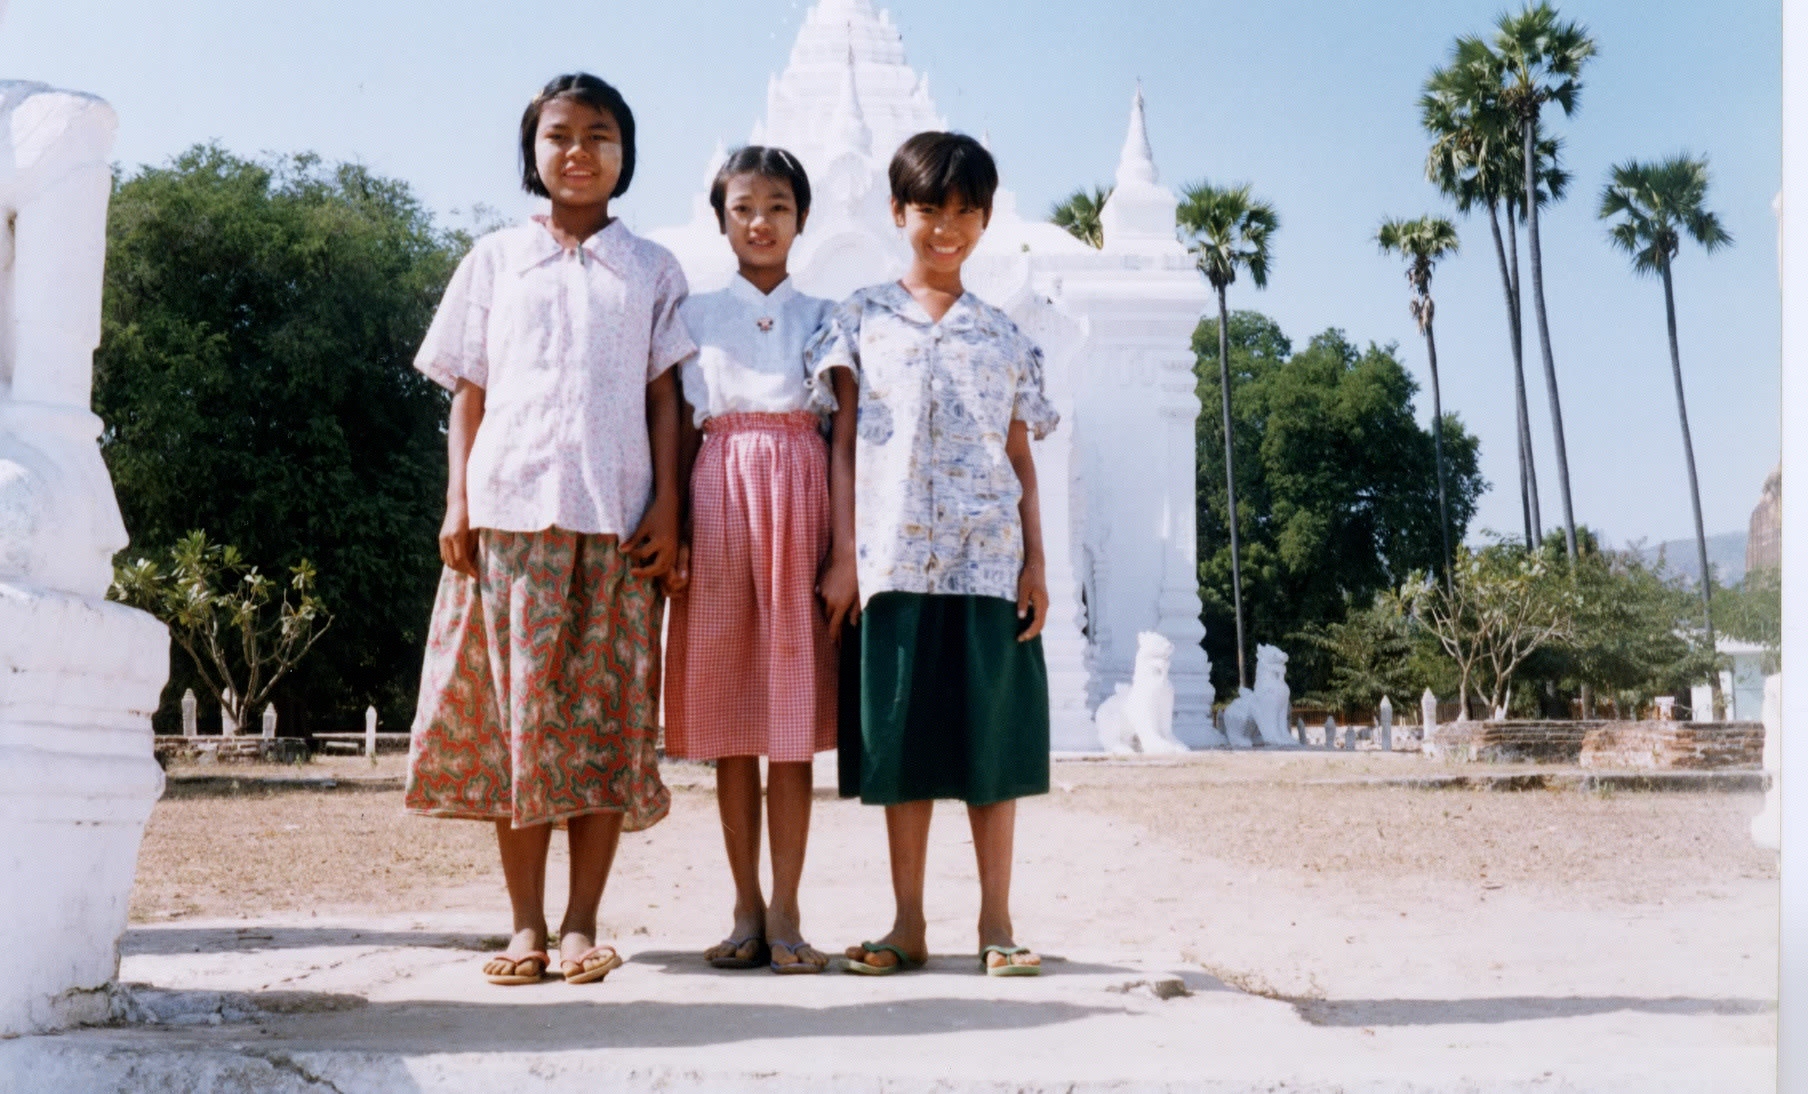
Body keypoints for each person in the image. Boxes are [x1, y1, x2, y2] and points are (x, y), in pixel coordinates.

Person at [404, 72, 691, 987]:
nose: (578, 151)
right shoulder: (492, 261)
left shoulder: (653, 269)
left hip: (616, 525)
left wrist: (670, 511)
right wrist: (458, 502)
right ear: (533, 152)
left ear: (625, 153)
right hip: (510, 517)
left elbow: (666, 399)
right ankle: (524, 925)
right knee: (521, 727)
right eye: (559, 135)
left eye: (599, 135)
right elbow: (468, 395)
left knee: (602, 729)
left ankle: (581, 925)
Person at [805, 130, 1057, 978]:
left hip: (989, 560)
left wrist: (1037, 564)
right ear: (896, 212)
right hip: (891, 563)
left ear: (984, 220)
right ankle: (907, 923)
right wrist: (844, 556)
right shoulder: (859, 320)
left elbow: (1021, 456)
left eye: (964, 212)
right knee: (903, 746)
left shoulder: (1006, 335)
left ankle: (997, 922)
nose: (945, 229)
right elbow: (838, 445)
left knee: (991, 747)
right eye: (929, 211)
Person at [663, 146, 853, 975]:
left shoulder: (827, 315)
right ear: (722, 220)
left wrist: (845, 552)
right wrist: (670, 530)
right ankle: (742, 907)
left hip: (801, 502)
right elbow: (671, 426)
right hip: (720, 502)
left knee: (788, 730)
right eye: (743, 207)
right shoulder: (695, 314)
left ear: (801, 218)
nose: (760, 221)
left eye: (777, 206)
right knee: (734, 725)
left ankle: (787, 911)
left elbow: (843, 433)